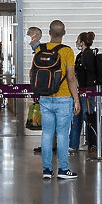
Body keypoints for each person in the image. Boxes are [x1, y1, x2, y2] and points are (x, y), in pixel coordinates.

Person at [32, 21, 80, 180]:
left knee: (46, 134)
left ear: (49, 32)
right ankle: (63, 169)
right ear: (64, 33)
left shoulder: (40, 49)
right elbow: (71, 78)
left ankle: (46, 170)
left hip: (45, 97)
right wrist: (77, 99)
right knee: (62, 134)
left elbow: (32, 72)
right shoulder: (67, 51)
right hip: (64, 97)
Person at [70, 31, 97, 154]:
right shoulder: (80, 56)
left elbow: (90, 74)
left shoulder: (89, 55)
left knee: (88, 117)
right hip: (79, 91)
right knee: (77, 117)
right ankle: (73, 144)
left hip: (87, 91)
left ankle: (92, 143)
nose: (76, 42)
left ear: (82, 42)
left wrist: (88, 89)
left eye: (78, 40)